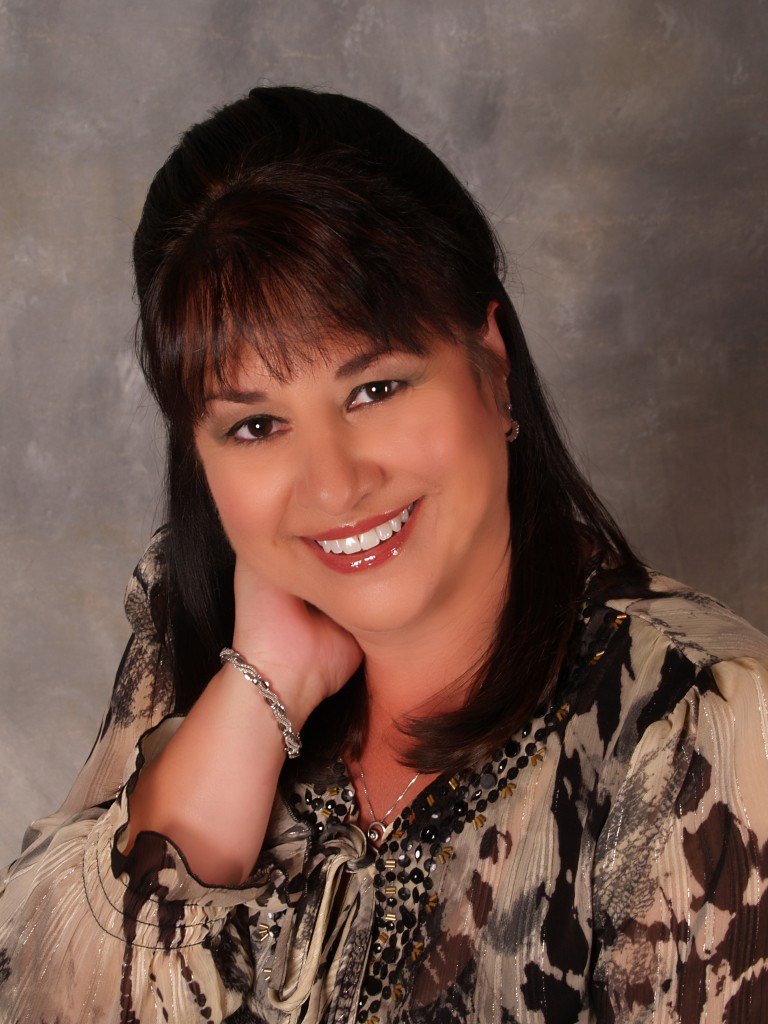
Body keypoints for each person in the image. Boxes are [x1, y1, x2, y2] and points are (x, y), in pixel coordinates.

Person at [0, 85, 766, 1024]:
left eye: (375, 389)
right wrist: (261, 691)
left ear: (491, 364)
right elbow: (41, 997)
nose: (334, 484)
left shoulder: (697, 726)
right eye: (256, 426)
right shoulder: (190, 637)